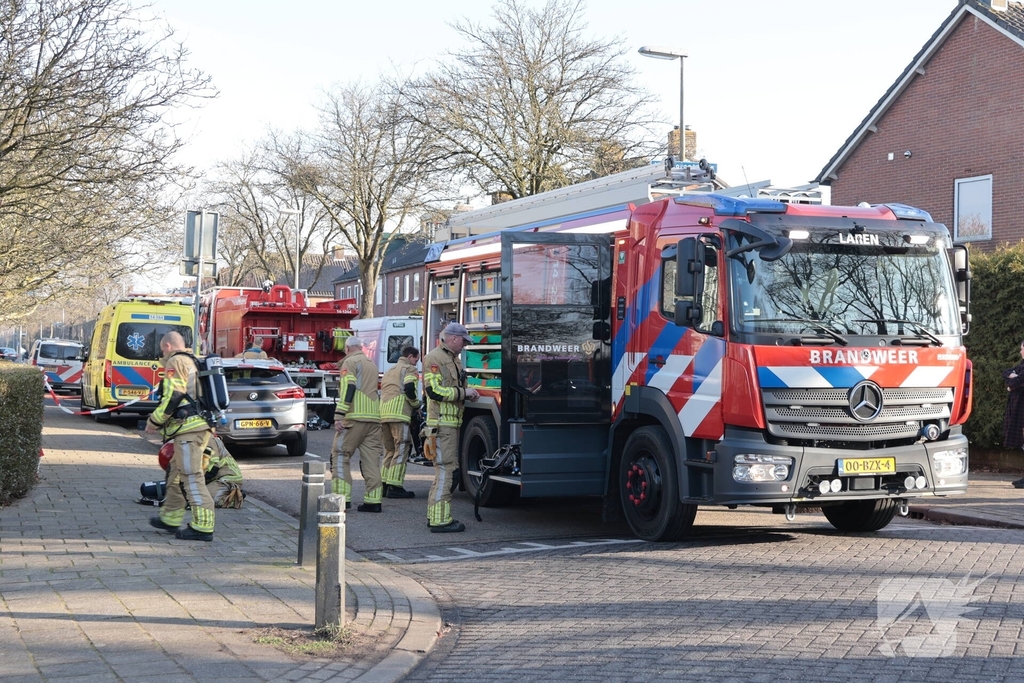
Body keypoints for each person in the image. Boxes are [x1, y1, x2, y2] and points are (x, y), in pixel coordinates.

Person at [145, 331, 216, 541]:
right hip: (196, 427)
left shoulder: (175, 361)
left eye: (162, 350)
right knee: (176, 474)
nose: (162, 354)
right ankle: (170, 518)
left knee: (191, 476)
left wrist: (154, 420)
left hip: (188, 431)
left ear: (167, 346)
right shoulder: (191, 360)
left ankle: (203, 526)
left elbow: (174, 395)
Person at [422, 322, 480, 533]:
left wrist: (466, 392)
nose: (465, 346)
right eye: (464, 341)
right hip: (442, 425)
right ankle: (440, 521)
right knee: (447, 471)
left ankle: (435, 516)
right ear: (454, 338)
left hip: (449, 425)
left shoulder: (453, 359)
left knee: (444, 472)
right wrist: (465, 393)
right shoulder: (435, 358)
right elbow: (433, 391)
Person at [330, 336, 385, 511]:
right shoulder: (371, 364)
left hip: (354, 417)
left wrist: (339, 414)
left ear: (347, 348)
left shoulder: (350, 362)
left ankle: (341, 498)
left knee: (340, 454)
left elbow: (349, 387)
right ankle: (373, 502)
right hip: (373, 418)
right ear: (360, 347)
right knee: (371, 461)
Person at [380, 346, 421, 498]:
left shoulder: (389, 370)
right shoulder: (409, 369)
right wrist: (416, 405)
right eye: (416, 359)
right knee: (402, 448)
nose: (416, 363)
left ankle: (384, 484)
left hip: (383, 414)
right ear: (410, 357)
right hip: (399, 414)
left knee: (390, 450)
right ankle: (395, 486)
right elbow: (409, 388)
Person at [1003, 340, 1024, 488]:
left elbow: (1020, 381)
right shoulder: (1021, 366)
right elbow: (1005, 373)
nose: (1020, 352)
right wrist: (1013, 379)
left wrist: (1012, 383)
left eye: (1022, 349)